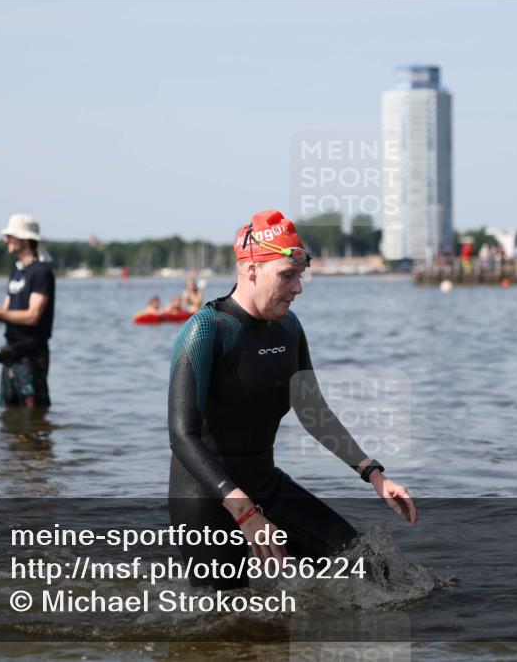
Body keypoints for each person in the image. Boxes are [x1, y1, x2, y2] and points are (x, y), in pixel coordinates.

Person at [168, 209, 417, 589]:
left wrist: (374, 474)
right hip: (206, 501)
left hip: (266, 486)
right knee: (229, 623)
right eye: (288, 276)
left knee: (371, 570)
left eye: (299, 276)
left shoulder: (288, 328)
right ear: (251, 269)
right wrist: (245, 512)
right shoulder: (207, 331)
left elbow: (313, 411)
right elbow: (181, 435)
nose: (298, 288)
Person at [0, 214, 55, 408]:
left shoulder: (41, 272)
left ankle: (36, 438)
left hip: (32, 354)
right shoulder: (16, 271)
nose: (5, 240)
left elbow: (33, 316)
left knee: (33, 411)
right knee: (9, 412)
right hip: (11, 351)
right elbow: (6, 311)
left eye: (10, 235)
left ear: (25, 240)